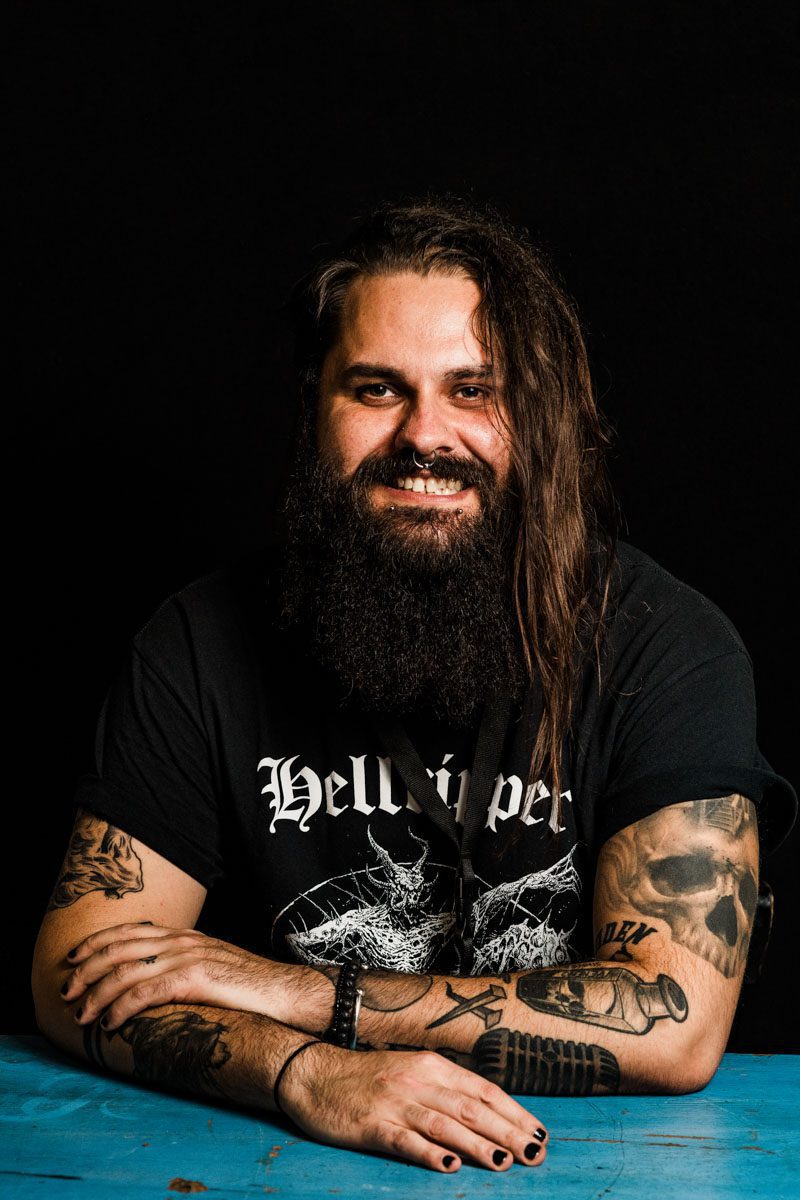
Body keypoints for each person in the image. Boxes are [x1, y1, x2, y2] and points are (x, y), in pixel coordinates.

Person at [32, 197, 796, 1175]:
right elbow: (75, 967)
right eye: (377, 388)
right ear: (316, 406)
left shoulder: (667, 645)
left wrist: (304, 997)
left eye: (473, 390)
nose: (423, 436)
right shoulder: (199, 638)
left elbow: (674, 1022)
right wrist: (302, 1073)